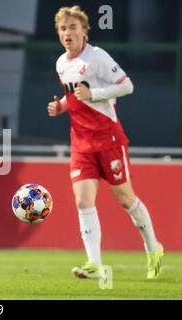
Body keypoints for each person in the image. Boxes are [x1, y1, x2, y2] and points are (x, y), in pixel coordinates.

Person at [47, 6, 163, 280]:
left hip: (108, 139)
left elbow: (126, 86)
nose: (68, 33)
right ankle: (95, 264)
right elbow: (74, 95)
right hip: (81, 143)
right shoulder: (61, 63)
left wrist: (94, 93)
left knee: (126, 199)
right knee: (83, 200)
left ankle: (153, 247)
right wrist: (61, 106)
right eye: (63, 29)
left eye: (73, 27)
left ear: (85, 31)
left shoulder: (97, 57)